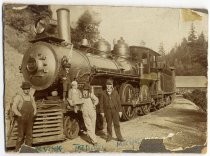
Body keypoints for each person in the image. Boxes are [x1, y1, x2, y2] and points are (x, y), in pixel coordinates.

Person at [12, 82, 37, 152]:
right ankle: (17, 151)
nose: (27, 90)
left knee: (29, 135)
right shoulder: (19, 97)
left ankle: (28, 150)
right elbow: (14, 107)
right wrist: (19, 115)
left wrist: (34, 112)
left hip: (30, 119)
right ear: (22, 89)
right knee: (21, 135)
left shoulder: (31, 96)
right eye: (25, 89)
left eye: (28, 89)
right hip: (21, 119)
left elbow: (34, 106)